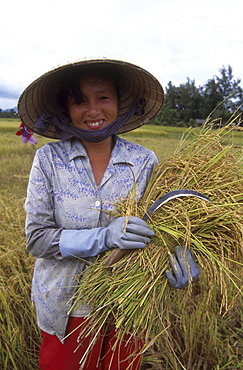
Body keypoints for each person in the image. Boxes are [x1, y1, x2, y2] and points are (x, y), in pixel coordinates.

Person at [18, 58, 200, 370]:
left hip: (128, 304)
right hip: (66, 309)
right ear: (66, 108)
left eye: (103, 97)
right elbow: (37, 240)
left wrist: (181, 255)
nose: (93, 111)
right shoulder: (48, 160)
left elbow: (162, 224)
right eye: (79, 101)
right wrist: (104, 236)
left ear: (119, 102)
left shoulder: (144, 161)